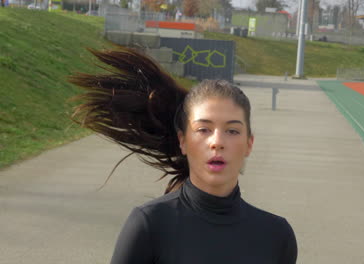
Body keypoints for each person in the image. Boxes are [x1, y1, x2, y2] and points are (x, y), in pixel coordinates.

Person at [69, 48, 298, 264]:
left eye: (232, 130)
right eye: (203, 129)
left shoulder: (277, 236)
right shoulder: (149, 224)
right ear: (183, 141)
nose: (217, 142)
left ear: (249, 144)